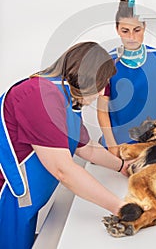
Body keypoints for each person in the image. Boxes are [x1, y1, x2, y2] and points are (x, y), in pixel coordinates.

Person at [0, 41, 131, 249]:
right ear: (87, 76)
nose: (100, 94)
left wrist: (123, 166)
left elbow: (86, 149)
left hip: (26, 204)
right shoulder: (39, 95)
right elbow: (63, 170)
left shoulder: (67, 100)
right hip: (6, 199)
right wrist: (122, 208)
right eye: (101, 84)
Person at [97, 0, 156, 156]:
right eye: (125, 31)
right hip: (118, 142)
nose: (132, 37)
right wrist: (112, 146)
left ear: (145, 27)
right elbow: (102, 109)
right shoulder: (108, 63)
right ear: (117, 29)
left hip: (153, 141)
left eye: (137, 30)